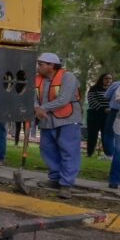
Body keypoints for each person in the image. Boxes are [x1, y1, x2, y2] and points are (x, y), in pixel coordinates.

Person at [34, 52, 82, 199]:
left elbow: (63, 99)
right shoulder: (37, 79)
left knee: (69, 151)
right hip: (47, 121)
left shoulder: (68, 77)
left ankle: (66, 185)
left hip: (67, 120)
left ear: (51, 65)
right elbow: (32, 97)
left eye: (41, 64)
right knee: (48, 150)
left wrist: (43, 108)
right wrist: (36, 107)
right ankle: (55, 179)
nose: (38, 67)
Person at [86, 73, 113, 158]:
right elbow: (91, 101)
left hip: (108, 116)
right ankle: (89, 153)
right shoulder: (94, 88)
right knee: (92, 135)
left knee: (106, 135)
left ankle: (107, 154)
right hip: (94, 115)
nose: (108, 80)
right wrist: (103, 109)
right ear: (102, 79)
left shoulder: (113, 90)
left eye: (110, 79)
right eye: (106, 78)